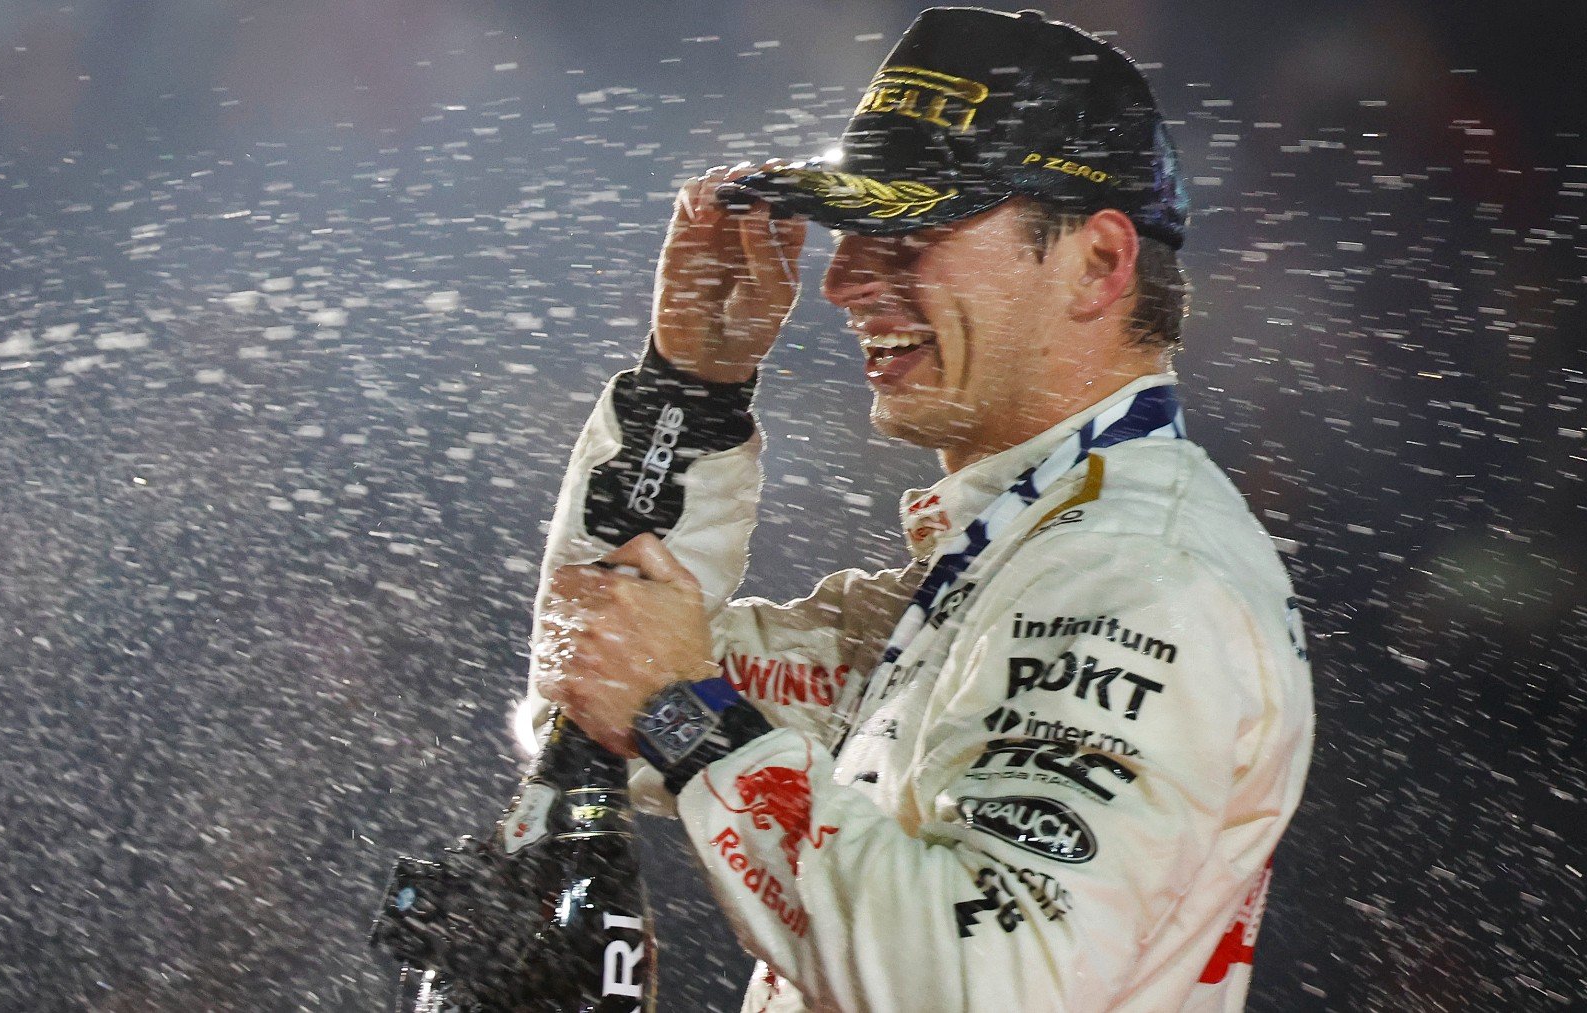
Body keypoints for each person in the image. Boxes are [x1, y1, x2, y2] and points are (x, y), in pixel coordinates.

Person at [530, 8, 1313, 1011]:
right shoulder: (1017, 558)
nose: (845, 281)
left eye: (912, 232)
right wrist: (693, 383)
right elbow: (587, 685)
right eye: (853, 234)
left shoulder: (1141, 576)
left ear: (1098, 264)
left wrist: (683, 715)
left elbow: (982, 984)